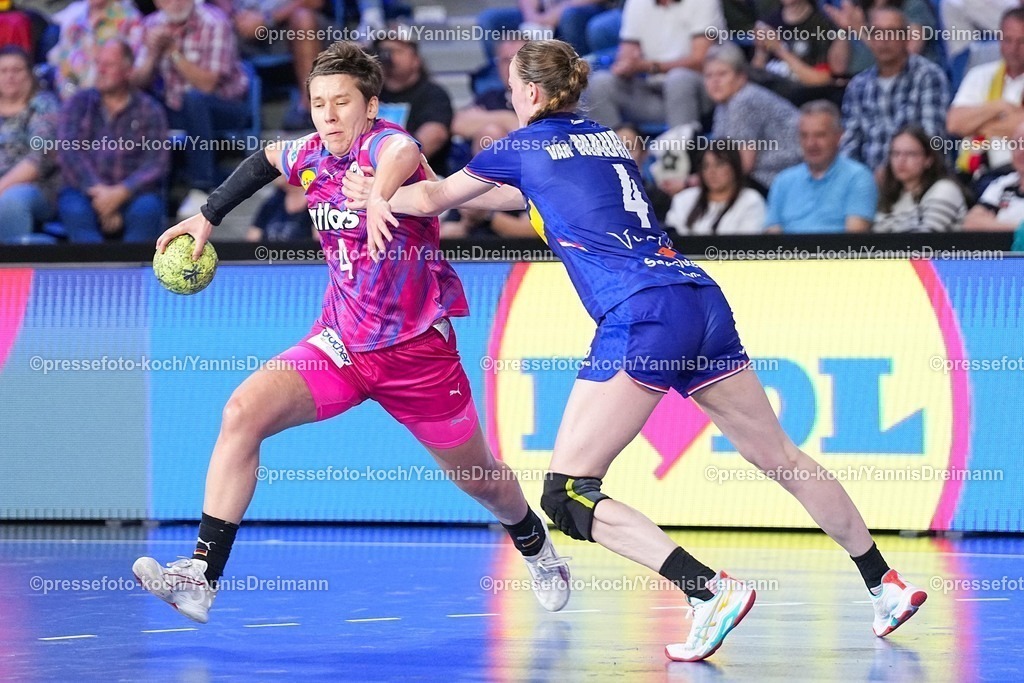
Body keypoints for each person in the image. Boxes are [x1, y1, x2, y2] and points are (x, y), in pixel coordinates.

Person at [344, 39, 928, 662]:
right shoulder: (605, 141)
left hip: (641, 312)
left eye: (512, 86)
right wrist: (405, 186)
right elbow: (496, 194)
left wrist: (370, 194)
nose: (508, 94)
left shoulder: (520, 146)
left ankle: (708, 591)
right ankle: (884, 583)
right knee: (780, 455)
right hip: (696, 298)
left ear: (532, 93)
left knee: (567, 494)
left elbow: (433, 200)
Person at [131, 41, 570, 624]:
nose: (329, 115)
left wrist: (381, 196)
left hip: (416, 355)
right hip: (338, 345)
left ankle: (536, 545)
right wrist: (209, 215)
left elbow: (402, 151)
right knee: (241, 413)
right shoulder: (310, 153)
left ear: (371, 106)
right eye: (319, 103)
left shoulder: (386, 146)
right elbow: (267, 158)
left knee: (479, 479)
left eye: (342, 102)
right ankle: (200, 577)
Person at [131, 0, 251, 218]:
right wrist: (152, 54)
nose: (175, 3)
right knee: (141, 104)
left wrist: (174, 53)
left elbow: (207, 85)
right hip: (175, 107)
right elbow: (137, 84)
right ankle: (146, 190)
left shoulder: (215, 22)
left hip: (225, 107)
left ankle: (201, 187)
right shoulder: (150, 25)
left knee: (194, 99)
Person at [57, 40, 169, 242]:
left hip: (133, 193)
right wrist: (101, 195)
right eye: (98, 64)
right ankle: (91, 263)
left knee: (147, 209)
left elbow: (156, 163)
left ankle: (136, 263)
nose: (100, 70)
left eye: (108, 65)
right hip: (85, 190)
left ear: (128, 71)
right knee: (74, 209)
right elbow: (69, 153)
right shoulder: (78, 103)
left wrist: (121, 193)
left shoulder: (150, 109)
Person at [583, 0, 725, 131]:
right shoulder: (636, 3)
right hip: (652, 91)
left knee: (679, 78)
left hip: (697, 90)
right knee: (600, 82)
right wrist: (625, 66)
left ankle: (681, 148)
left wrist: (649, 66)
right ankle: (612, 147)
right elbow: (628, 51)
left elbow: (701, 61)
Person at [839, 7, 950, 172]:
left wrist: (890, 174)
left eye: (892, 33)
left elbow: (931, 140)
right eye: (877, 33)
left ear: (906, 38)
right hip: (869, 180)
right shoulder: (858, 86)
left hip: (922, 177)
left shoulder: (928, 76)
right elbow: (849, 146)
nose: (884, 40)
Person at [765, 100, 878, 233]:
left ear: (838, 136)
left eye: (819, 135)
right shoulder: (783, 181)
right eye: (804, 135)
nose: (811, 144)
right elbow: (772, 237)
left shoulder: (858, 177)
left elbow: (854, 239)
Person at [703, 42, 801, 190]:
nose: (715, 82)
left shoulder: (744, 100)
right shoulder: (723, 104)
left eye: (722, 74)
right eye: (709, 76)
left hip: (778, 177)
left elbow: (743, 165)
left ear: (741, 77)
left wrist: (694, 183)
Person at [947, 8, 1024, 192]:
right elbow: (955, 124)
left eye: (1022, 42)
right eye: (1007, 40)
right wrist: (1001, 107)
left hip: (1016, 174)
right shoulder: (979, 75)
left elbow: (1019, 130)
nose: (1013, 49)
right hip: (974, 173)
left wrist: (977, 125)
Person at [0, 45, 59, 244]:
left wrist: (1, 186)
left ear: (29, 74)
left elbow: (39, 158)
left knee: (11, 200)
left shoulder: (43, 105)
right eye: (3, 71)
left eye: (16, 70)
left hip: (36, 187)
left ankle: (11, 260)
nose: (10, 76)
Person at [874, 125, 967, 232]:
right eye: (896, 154)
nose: (901, 160)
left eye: (910, 154)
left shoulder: (945, 189)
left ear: (928, 160)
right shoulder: (888, 196)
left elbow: (926, 238)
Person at [664, 146, 765, 235]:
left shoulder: (751, 201)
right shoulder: (683, 199)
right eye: (706, 166)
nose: (711, 172)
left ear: (734, 167)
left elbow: (748, 244)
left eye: (719, 165)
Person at [963, 120, 1024, 231]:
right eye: (1016, 145)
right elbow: (971, 222)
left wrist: (992, 224)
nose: (1021, 152)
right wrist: (1018, 229)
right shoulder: (1003, 183)